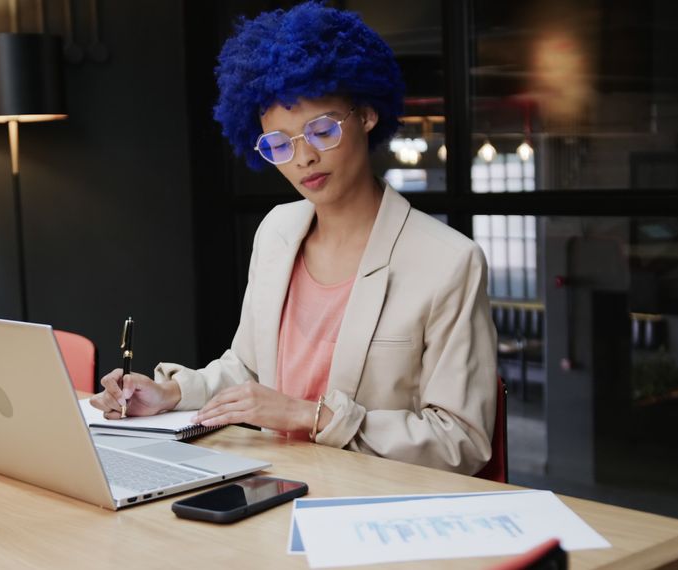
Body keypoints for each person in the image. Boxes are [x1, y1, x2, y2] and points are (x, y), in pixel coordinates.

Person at [90, 1, 497, 475]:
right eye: (279, 145)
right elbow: (247, 369)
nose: (302, 158)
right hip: (271, 484)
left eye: (321, 130)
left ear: (366, 114)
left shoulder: (448, 261)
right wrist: (171, 393)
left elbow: (463, 442)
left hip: (370, 501)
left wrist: (309, 415)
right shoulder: (278, 232)